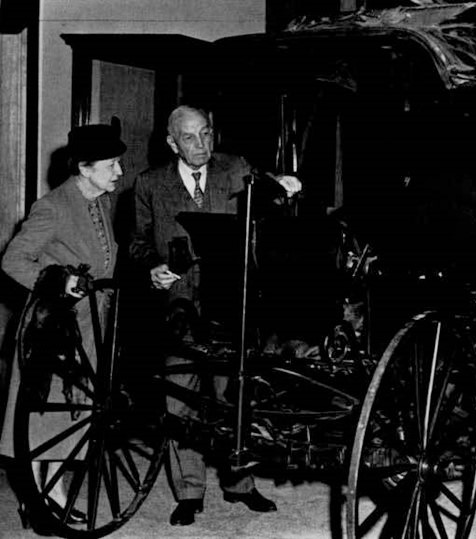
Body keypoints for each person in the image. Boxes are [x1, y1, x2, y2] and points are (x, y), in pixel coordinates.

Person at [129, 105, 301, 526]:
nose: (202, 145)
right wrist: (151, 266)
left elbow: (269, 195)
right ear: (172, 143)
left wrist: (283, 185)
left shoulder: (236, 168)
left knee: (236, 395)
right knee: (180, 396)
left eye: (206, 133)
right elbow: (136, 242)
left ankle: (240, 483)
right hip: (178, 308)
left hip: (232, 304)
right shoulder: (150, 184)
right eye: (190, 138)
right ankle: (189, 492)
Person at [0, 123, 126, 527]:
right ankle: (39, 500)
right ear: (85, 168)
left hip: (90, 328)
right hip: (53, 331)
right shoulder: (53, 206)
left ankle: (48, 493)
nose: (119, 172)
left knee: (71, 415)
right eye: (111, 165)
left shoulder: (98, 203)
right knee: (42, 415)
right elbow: (13, 261)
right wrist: (60, 280)